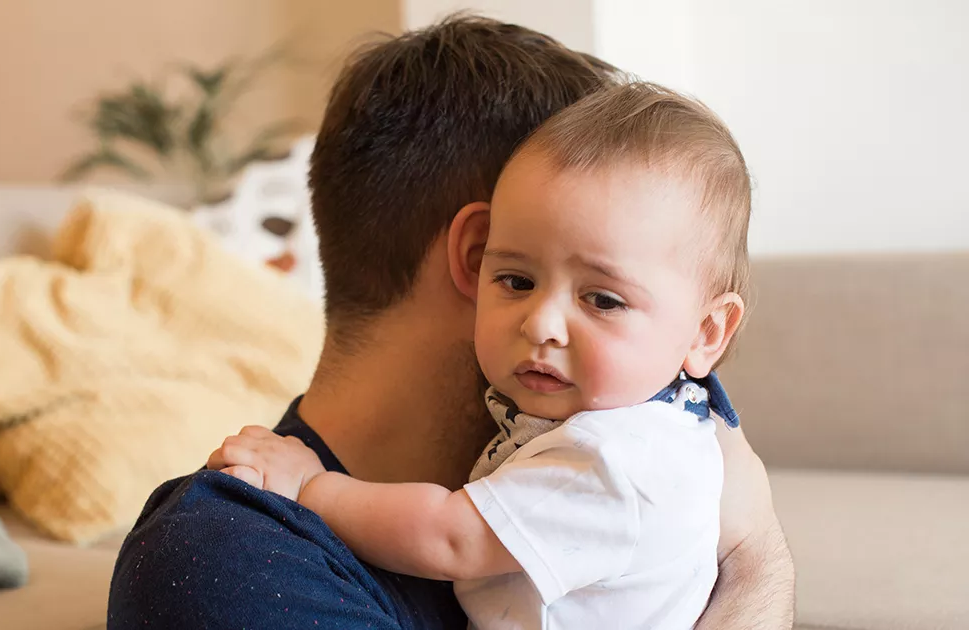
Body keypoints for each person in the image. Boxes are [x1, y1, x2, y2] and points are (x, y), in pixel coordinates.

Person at [107, 16, 794, 630]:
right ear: (480, 255)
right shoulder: (232, 563)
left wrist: (753, 548)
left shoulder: (656, 421)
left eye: (605, 297)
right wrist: (755, 558)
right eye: (523, 277)